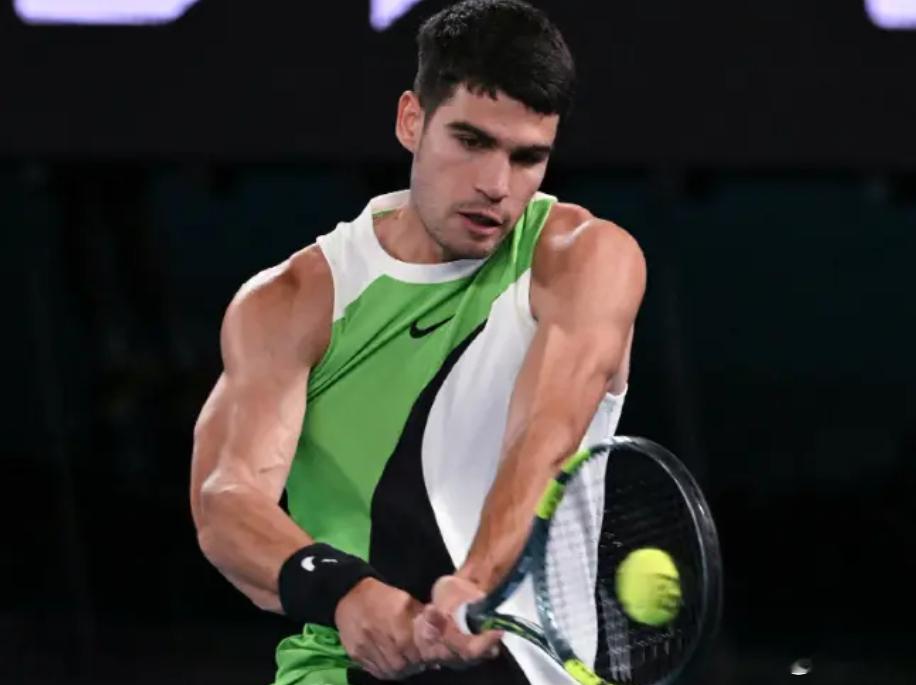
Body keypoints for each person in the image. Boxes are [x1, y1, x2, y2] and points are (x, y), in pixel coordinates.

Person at [189, 1, 646, 683]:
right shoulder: (293, 300)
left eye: (527, 157)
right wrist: (343, 590)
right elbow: (226, 499)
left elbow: (543, 437)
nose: (497, 185)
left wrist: (476, 581)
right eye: (471, 141)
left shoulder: (585, 260)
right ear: (412, 120)